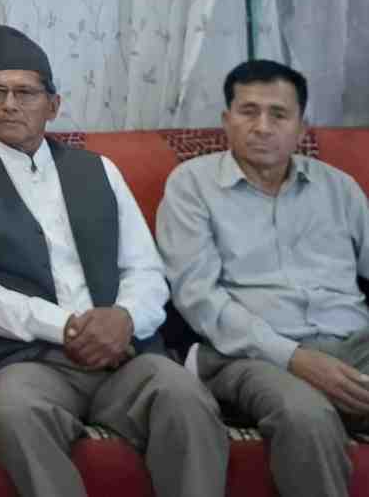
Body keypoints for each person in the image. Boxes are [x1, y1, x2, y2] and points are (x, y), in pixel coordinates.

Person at [0, 24, 226, 497]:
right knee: (15, 415)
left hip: (124, 356)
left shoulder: (98, 169)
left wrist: (124, 319)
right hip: (32, 361)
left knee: (186, 397)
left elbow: (145, 268)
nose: (9, 104)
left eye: (25, 93)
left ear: (53, 105)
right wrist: (66, 327)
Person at [158, 59, 369, 497]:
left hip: (354, 344)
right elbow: (198, 298)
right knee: (306, 416)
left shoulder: (340, 188)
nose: (262, 127)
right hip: (248, 355)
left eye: (279, 114)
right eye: (248, 111)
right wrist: (295, 358)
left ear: (302, 127)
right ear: (226, 120)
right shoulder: (191, 185)